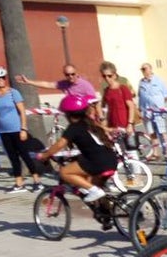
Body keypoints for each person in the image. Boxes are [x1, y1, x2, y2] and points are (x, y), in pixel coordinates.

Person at [35, 94, 121, 229]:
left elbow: (59, 144)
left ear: (68, 114)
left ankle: (94, 191)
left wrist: (45, 155)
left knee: (64, 172)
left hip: (97, 162)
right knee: (97, 187)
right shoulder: (91, 123)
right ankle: (107, 217)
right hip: (110, 160)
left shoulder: (74, 128)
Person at [0, 66, 43, 193]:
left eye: (2, 78)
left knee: (24, 155)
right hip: (3, 131)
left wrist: (23, 128)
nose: (1, 81)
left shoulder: (13, 92)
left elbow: (22, 111)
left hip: (17, 129)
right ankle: (19, 183)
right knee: (12, 157)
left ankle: (37, 181)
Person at [99, 63, 139, 148]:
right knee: (119, 151)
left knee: (132, 151)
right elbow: (104, 107)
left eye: (109, 76)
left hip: (125, 125)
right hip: (113, 126)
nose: (107, 78)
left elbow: (131, 106)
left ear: (114, 75)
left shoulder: (123, 88)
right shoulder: (106, 91)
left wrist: (130, 124)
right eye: (104, 76)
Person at [138, 63, 167, 160]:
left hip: (158, 112)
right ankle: (156, 153)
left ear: (151, 69)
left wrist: (160, 105)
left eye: (145, 69)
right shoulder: (141, 82)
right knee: (151, 133)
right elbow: (140, 96)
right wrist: (140, 109)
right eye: (142, 69)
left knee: (162, 132)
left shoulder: (159, 81)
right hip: (146, 111)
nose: (144, 71)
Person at [16, 64, 97, 99]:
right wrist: (29, 82)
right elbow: (48, 84)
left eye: (73, 74)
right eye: (67, 74)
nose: (70, 76)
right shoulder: (64, 84)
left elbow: (94, 100)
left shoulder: (85, 85)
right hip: (73, 115)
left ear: (77, 73)